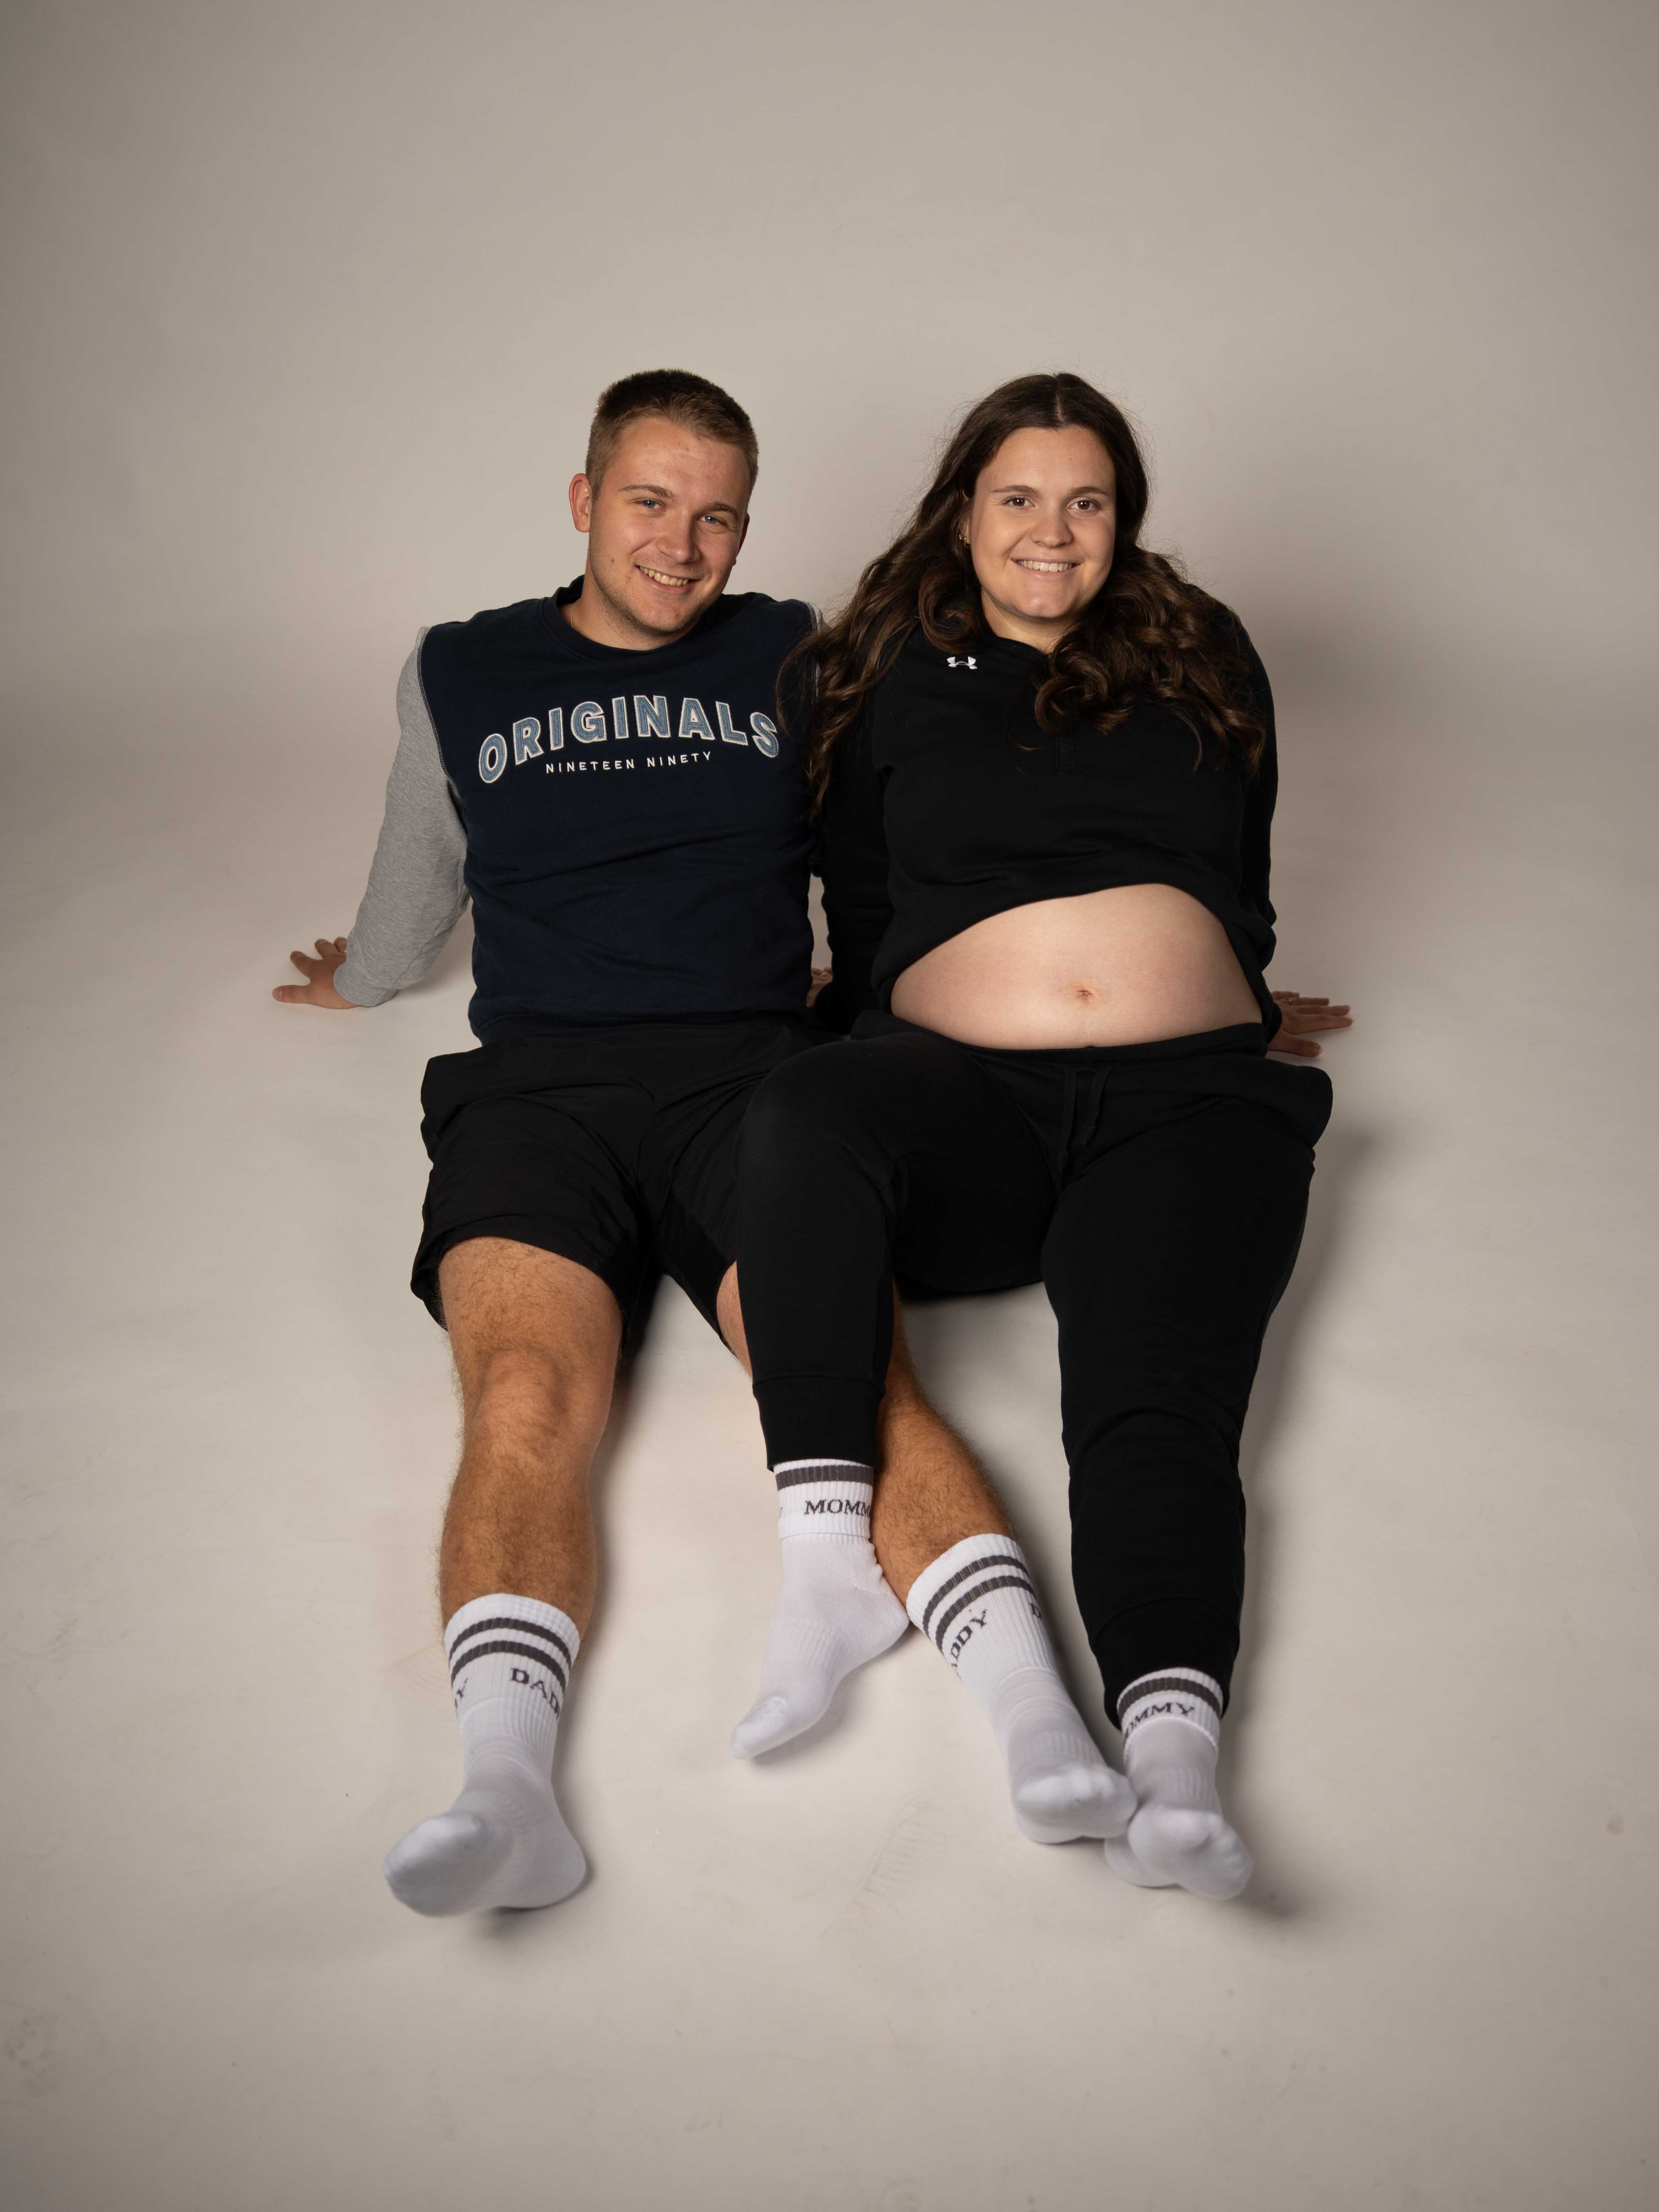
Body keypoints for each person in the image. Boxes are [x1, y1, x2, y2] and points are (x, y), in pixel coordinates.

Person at [275, 369, 1144, 1917]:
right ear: (583, 500)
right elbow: (420, 863)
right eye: (649, 502)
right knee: (525, 1391)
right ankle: (504, 1790)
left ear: (748, 527)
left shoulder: (797, 654)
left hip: (758, 1082)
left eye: (718, 516)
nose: (681, 545)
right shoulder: (462, 667)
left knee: (856, 1386)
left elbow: (956, 825)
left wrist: (1180, 973)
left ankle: (1043, 1727)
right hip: (535, 1091)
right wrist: (365, 973)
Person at [735, 371, 1351, 1901]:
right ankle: (828, 1556)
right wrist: (850, 1019)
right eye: (1019, 497)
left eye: (1088, 501)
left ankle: (1178, 1764)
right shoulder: (879, 668)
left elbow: (1243, 856)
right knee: (798, 1111)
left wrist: (1225, 978)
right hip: (969, 1101)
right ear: (965, 507)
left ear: (1123, 518)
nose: (1052, 532)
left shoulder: (1200, 647)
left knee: (1154, 1404)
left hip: (1185, 1103)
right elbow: (859, 893)